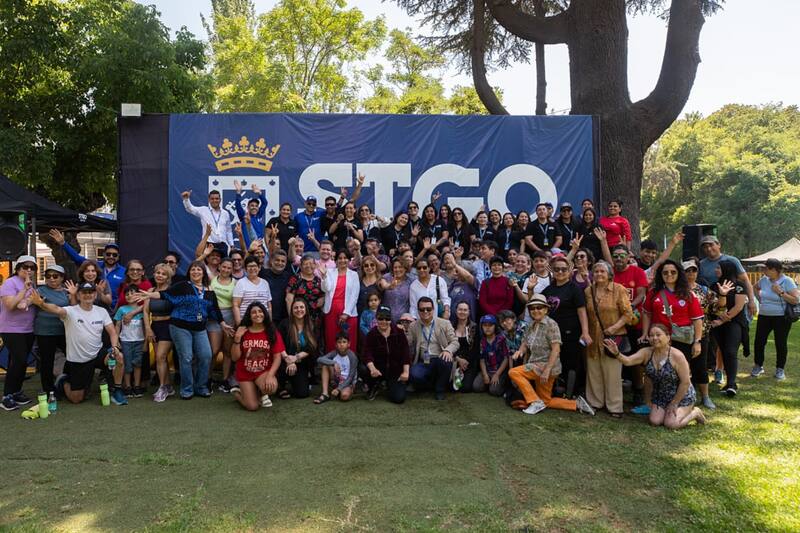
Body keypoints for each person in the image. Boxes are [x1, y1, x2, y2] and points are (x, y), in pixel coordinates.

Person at [132, 261, 232, 399]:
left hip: (200, 329)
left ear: (203, 273)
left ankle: (201, 386)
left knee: (206, 356)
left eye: (198, 269)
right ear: (189, 272)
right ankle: (187, 389)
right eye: (193, 270)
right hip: (180, 327)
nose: (196, 272)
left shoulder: (209, 292)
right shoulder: (183, 286)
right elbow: (164, 294)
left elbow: (214, 310)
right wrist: (149, 295)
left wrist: (222, 324)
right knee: (186, 357)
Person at [32, 282, 127, 406]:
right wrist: (41, 303)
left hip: (97, 353)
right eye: (84, 292)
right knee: (76, 399)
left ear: (95, 294)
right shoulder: (70, 311)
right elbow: (56, 309)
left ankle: (117, 390)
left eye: (91, 292)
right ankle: (63, 381)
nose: (88, 295)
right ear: (78, 295)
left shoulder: (101, 311)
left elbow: (113, 332)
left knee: (119, 357)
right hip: (78, 359)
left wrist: (114, 347)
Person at [640, 260, 713, 410]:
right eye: (665, 272)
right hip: (657, 339)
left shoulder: (687, 294)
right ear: (661, 275)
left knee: (680, 372)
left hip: (681, 339)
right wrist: (645, 333)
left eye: (673, 272)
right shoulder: (653, 292)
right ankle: (650, 403)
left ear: (679, 274)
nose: (669, 275)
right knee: (652, 370)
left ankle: (680, 402)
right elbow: (646, 314)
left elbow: (697, 320)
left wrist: (697, 341)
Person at [604, 324, 706, 429]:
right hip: (661, 396)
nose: (654, 338)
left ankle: (695, 413)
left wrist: (674, 403)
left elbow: (685, 382)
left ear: (668, 337)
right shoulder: (646, 353)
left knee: (671, 424)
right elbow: (628, 361)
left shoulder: (677, 356)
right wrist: (617, 353)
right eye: (651, 335)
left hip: (681, 397)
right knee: (655, 421)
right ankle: (667, 412)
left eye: (658, 335)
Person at [508, 295, 595, 416]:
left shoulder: (551, 324)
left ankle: (534, 401)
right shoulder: (531, 325)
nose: (535, 310)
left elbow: (556, 349)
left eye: (539, 307)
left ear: (545, 309)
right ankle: (576, 404)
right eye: (532, 308)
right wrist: (520, 351)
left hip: (547, 367)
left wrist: (547, 370)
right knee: (546, 401)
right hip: (536, 365)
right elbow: (525, 342)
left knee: (514, 372)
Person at [584, 261, 633, 417]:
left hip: (613, 337)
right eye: (596, 271)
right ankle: (595, 402)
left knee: (612, 373)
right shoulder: (588, 291)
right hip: (593, 337)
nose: (599, 274)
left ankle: (614, 407)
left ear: (609, 274)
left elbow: (628, 314)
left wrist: (614, 327)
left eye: (602, 272)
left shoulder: (619, 290)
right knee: (594, 371)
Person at [542, 256, 592, 399]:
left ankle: (571, 393)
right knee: (556, 361)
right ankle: (556, 389)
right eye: (557, 269)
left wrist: (585, 332)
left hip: (571, 332)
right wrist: (531, 289)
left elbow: (582, 311)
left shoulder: (574, 288)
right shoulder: (549, 289)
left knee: (571, 363)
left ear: (569, 270)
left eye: (563, 269)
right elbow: (538, 307)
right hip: (552, 334)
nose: (560, 272)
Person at [611, 244, 649, 412]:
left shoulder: (638, 272)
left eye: (622, 255)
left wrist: (628, 307)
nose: (618, 259)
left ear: (628, 257)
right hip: (613, 322)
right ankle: (615, 389)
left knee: (636, 358)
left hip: (635, 322)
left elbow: (641, 294)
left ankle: (638, 390)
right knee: (614, 355)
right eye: (615, 256)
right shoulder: (609, 272)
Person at [49, 229, 126, 307]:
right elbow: (77, 258)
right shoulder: (95, 265)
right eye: (108, 254)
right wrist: (63, 243)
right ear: (104, 254)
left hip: (113, 312)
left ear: (118, 256)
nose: (111, 257)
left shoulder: (124, 272)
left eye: (114, 255)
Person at [231, 301, 285, 411]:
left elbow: (277, 358)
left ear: (265, 314)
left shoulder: (272, 332)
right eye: (253, 312)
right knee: (252, 406)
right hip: (245, 372)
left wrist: (270, 375)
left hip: (262, 372)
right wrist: (237, 338)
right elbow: (234, 358)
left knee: (271, 387)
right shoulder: (243, 331)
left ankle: (259, 391)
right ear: (249, 316)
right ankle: (238, 394)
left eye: (260, 311)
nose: (257, 314)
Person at [0, 255, 37, 411]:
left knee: (19, 361)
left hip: (28, 329)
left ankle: (16, 392)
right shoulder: (9, 283)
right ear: (18, 268)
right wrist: (24, 291)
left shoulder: (31, 284)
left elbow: (33, 302)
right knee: (19, 360)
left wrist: (28, 300)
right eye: (25, 267)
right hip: (11, 329)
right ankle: (7, 396)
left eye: (32, 268)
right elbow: (10, 305)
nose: (28, 270)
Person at [753, 258, 799, 380]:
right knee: (759, 342)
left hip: (781, 317)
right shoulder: (764, 280)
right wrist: (760, 300)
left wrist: (781, 293)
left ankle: (780, 369)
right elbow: (755, 287)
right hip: (764, 316)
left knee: (780, 343)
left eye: (766, 268)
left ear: (774, 270)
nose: (763, 271)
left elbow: (796, 300)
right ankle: (758, 366)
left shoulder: (787, 281)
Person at [407, 297, 459, 400]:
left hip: (440, 357)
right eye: (422, 309)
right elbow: (407, 343)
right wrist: (402, 331)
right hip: (424, 361)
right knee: (414, 374)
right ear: (418, 311)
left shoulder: (444, 323)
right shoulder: (413, 326)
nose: (425, 311)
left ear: (433, 309)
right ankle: (432, 385)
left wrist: (448, 350)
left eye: (428, 309)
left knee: (446, 361)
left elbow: (455, 342)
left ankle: (440, 390)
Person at [709, 260, 746, 397]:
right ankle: (726, 380)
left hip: (734, 323)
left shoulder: (739, 285)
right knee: (723, 351)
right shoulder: (714, 285)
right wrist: (718, 320)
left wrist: (722, 320)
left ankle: (731, 384)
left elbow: (738, 307)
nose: (716, 270)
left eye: (718, 267)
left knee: (731, 351)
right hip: (718, 324)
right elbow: (713, 305)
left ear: (726, 269)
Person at [361, 305, 411, 403]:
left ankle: (389, 385)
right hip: (377, 370)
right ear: (376, 318)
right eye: (381, 318)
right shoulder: (371, 334)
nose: (384, 321)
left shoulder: (399, 332)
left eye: (387, 318)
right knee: (362, 368)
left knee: (399, 399)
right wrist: (373, 369)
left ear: (391, 319)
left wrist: (405, 372)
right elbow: (367, 353)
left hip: (395, 370)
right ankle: (374, 385)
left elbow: (406, 353)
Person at [698, 235, 756, 317]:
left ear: (719, 245)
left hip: (733, 302)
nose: (709, 249)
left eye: (711, 245)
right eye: (705, 247)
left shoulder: (732, 260)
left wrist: (751, 300)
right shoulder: (701, 264)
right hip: (713, 304)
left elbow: (745, 281)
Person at [34, 264, 69, 397]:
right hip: (45, 331)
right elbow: (31, 302)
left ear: (62, 278)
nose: (52, 279)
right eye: (48, 276)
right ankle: (49, 390)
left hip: (64, 330)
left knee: (71, 358)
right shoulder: (40, 290)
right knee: (47, 362)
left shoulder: (67, 291)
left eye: (55, 276)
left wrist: (73, 295)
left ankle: (66, 385)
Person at [144, 263, 176, 402]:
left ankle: (162, 387)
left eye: (163, 274)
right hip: (154, 325)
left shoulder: (171, 291)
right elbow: (145, 311)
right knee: (160, 358)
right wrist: (148, 328)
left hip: (168, 326)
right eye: (158, 273)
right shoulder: (150, 290)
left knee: (160, 357)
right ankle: (168, 387)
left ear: (168, 277)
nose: (159, 275)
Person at [277, 298, 317, 399]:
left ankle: (297, 381)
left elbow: (312, 347)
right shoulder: (284, 324)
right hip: (284, 360)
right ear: (292, 310)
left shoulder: (311, 325)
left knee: (302, 394)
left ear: (306, 309)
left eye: (301, 307)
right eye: (296, 308)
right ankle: (281, 386)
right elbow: (278, 343)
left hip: (301, 362)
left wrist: (296, 358)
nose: (299, 310)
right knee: (279, 365)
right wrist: (288, 360)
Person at [320, 249, 360, 351]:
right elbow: (326, 288)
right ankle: (331, 365)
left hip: (349, 312)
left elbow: (354, 295)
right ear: (336, 260)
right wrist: (324, 276)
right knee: (331, 339)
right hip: (331, 311)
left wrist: (346, 313)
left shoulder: (354, 275)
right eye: (340, 258)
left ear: (349, 260)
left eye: (345, 258)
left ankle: (350, 365)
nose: (342, 260)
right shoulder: (329, 272)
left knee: (348, 340)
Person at [210, 257, 237, 392]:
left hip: (229, 317)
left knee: (227, 351)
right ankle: (207, 379)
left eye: (229, 268)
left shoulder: (236, 283)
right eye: (224, 267)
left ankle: (225, 380)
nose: (226, 270)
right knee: (213, 351)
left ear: (232, 270)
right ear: (219, 267)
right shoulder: (211, 279)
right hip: (214, 317)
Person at [114, 285, 146, 397]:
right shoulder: (121, 309)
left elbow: (145, 326)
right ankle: (127, 386)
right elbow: (117, 325)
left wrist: (146, 341)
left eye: (132, 293)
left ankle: (136, 386)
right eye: (127, 294)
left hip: (139, 341)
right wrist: (116, 340)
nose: (129, 296)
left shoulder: (142, 309)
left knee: (138, 363)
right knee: (127, 364)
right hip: (125, 341)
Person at [314, 331, 359, 404]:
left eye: (344, 342)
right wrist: (333, 363)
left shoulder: (352, 357)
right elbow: (319, 359)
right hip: (335, 380)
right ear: (336, 344)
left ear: (349, 344)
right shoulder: (334, 353)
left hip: (347, 382)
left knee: (344, 396)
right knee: (325, 365)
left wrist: (339, 389)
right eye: (339, 342)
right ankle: (325, 393)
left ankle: (343, 391)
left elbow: (351, 377)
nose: (341, 344)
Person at [286, 254, 325, 329]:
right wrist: (291, 317)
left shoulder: (318, 280)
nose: (308, 266)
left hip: (315, 317)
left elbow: (323, 296)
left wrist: (322, 299)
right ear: (300, 266)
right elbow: (289, 299)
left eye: (311, 263)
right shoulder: (295, 279)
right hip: (299, 317)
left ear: (315, 265)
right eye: (305, 264)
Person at [475, 315, 510, 396]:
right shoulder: (482, 341)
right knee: (477, 387)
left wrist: (497, 374)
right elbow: (482, 360)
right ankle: (489, 382)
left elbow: (506, 358)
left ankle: (499, 384)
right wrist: (485, 374)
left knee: (495, 391)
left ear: (495, 326)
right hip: (488, 370)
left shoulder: (501, 339)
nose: (487, 328)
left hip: (499, 370)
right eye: (485, 325)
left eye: (490, 325)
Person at [232, 256, 273, 326]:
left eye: (254, 266)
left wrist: (269, 323)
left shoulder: (265, 283)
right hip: (246, 322)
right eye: (249, 266)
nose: (252, 269)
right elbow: (235, 305)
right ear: (245, 269)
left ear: (259, 267)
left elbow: (269, 306)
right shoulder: (241, 283)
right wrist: (239, 324)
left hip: (263, 323)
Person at [451, 301, 479, 393]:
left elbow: (476, 348)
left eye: (465, 310)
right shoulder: (450, 326)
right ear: (456, 311)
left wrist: (465, 361)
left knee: (465, 388)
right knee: (452, 387)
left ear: (469, 312)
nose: (462, 312)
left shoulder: (474, 327)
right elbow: (446, 345)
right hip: (454, 360)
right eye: (460, 309)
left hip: (469, 362)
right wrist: (458, 359)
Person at [233, 179, 267, 247]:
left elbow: (265, 203)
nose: (254, 207)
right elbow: (238, 205)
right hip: (249, 247)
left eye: (256, 206)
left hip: (259, 246)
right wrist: (238, 192)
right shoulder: (244, 217)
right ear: (248, 208)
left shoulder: (258, 216)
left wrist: (259, 193)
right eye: (252, 206)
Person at [379, 258, 413, 323]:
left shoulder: (410, 281)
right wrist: (389, 286)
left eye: (400, 267)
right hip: (387, 319)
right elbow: (383, 284)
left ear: (405, 268)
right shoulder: (387, 277)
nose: (397, 269)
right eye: (395, 267)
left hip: (404, 320)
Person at [262, 250, 291, 324]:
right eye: (277, 260)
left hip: (284, 318)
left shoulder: (289, 277)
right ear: (271, 261)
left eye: (283, 261)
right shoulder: (263, 274)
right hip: (266, 317)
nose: (280, 263)